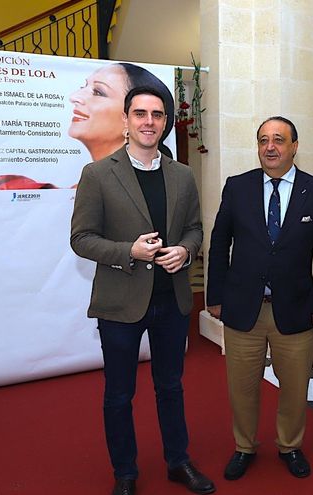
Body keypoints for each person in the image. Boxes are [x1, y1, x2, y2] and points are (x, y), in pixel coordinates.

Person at [71, 86, 214, 495]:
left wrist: (185, 252)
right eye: (140, 114)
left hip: (172, 300)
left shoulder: (182, 174)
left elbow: (194, 229)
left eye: (156, 114)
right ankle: (126, 473)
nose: (148, 121)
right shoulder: (98, 174)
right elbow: (81, 238)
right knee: (119, 395)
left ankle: (178, 461)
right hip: (120, 303)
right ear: (126, 121)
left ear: (165, 123)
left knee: (171, 387)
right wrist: (128, 252)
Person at [206, 116, 313, 481]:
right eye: (264, 140)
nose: (270, 147)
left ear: (294, 146)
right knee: (242, 387)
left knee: (295, 388)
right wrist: (214, 296)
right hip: (242, 309)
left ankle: (290, 446)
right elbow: (220, 243)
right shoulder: (238, 187)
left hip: (296, 310)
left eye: (279, 140)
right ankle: (244, 447)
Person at [69, 63, 175, 161]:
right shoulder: (92, 175)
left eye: (98, 92)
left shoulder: (180, 175)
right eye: (140, 114)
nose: (75, 97)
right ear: (126, 118)